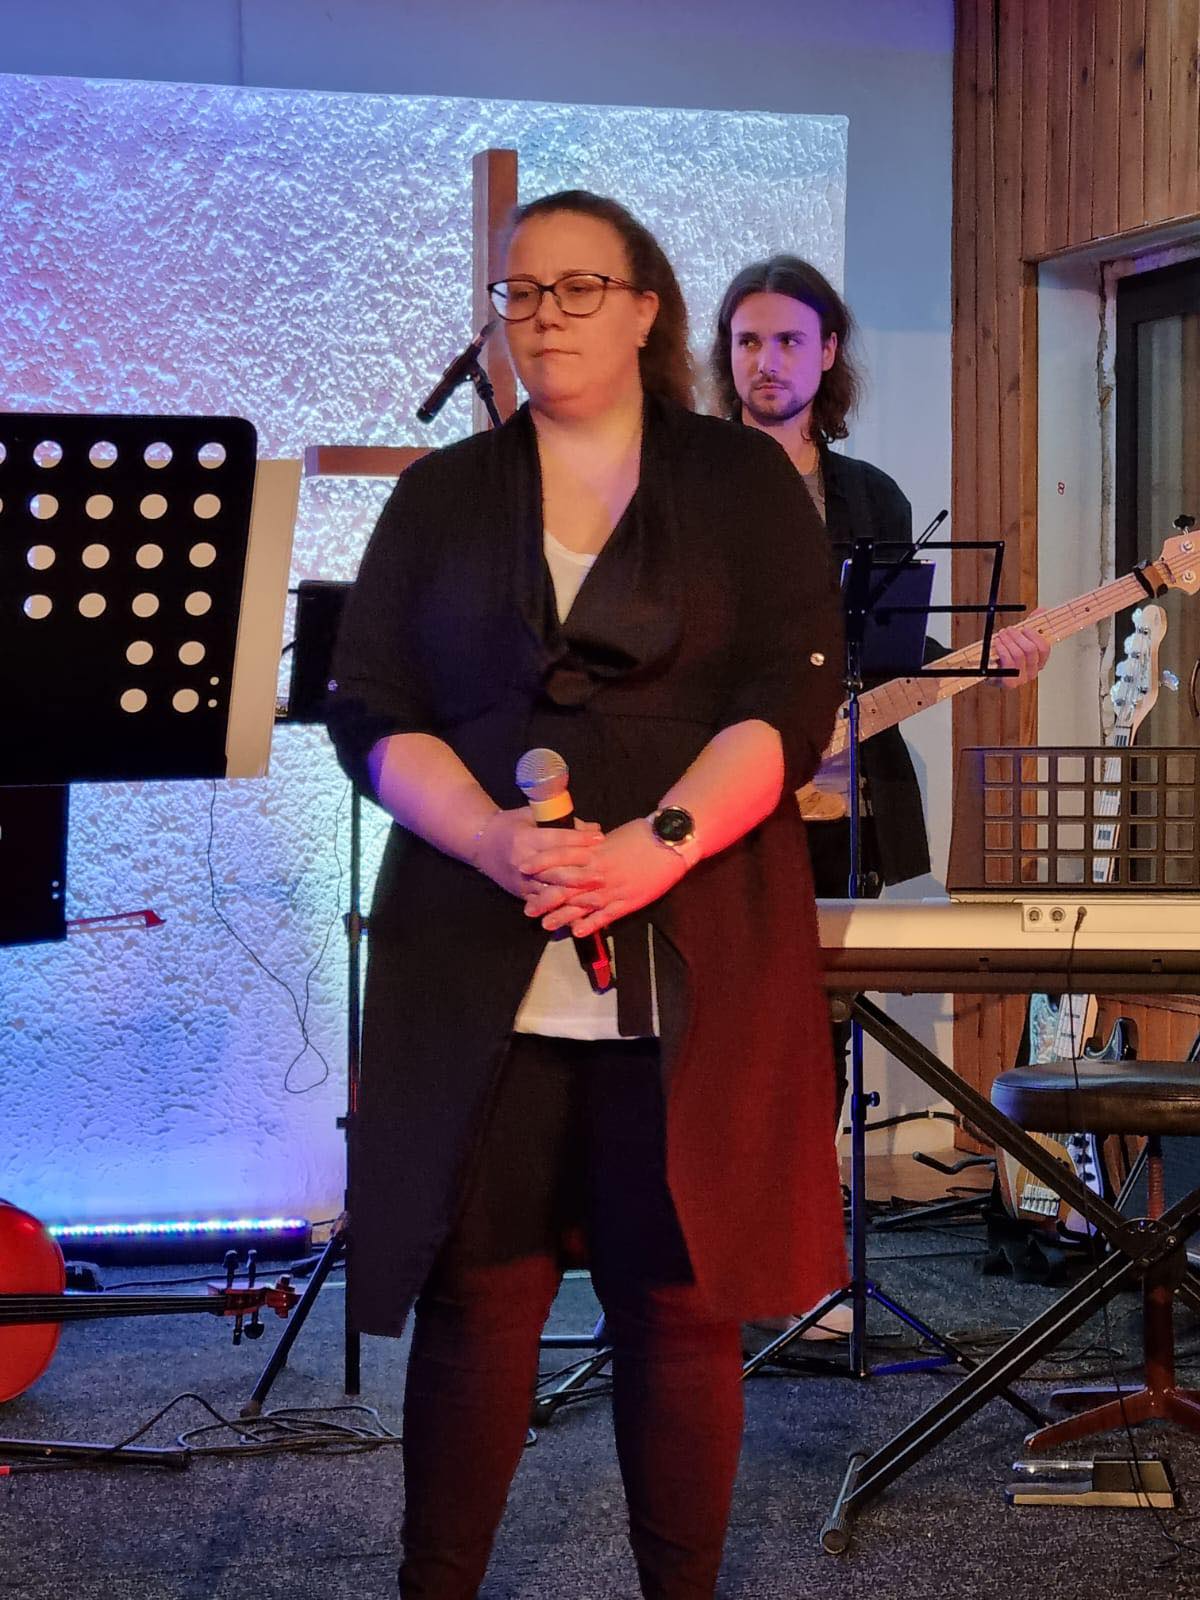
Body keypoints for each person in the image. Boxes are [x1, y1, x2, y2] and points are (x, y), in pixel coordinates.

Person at [328, 194, 847, 1599]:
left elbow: (790, 701)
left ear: (644, 309)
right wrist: (488, 838)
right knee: (480, 1291)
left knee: (677, 1303)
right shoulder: (443, 495)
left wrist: (658, 846)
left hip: (692, 943)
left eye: (577, 287)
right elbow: (371, 706)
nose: (544, 315)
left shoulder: (740, 485)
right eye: (521, 292)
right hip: (476, 942)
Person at [709, 256, 1049, 1338]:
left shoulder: (872, 498)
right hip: (717, 808)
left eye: (788, 341)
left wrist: (989, 658)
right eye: (749, 342)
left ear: (828, 354)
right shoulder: (685, 483)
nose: (767, 362)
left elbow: (894, 657)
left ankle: (803, 1270)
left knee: (819, 1043)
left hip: (840, 814)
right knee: (722, 1042)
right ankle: (703, 1269)